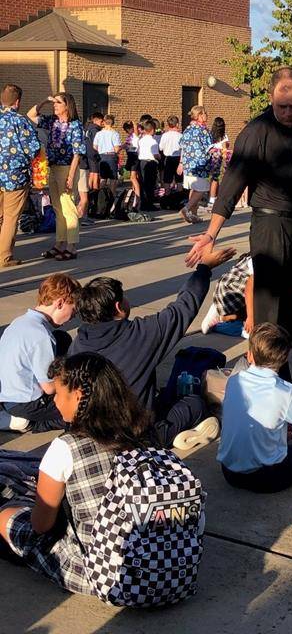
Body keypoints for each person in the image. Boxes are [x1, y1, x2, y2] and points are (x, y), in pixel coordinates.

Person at [185, 67, 292, 377]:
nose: (287, 113)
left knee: (291, 305)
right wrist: (211, 234)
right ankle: (270, 379)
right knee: (268, 306)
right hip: (269, 226)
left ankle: (270, 369)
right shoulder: (256, 131)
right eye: (281, 106)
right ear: (270, 98)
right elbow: (232, 185)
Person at [0, 353, 155, 595]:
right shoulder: (142, 434)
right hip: (155, 561)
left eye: (59, 395)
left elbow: (40, 526)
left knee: (5, 516)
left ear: (78, 396)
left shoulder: (66, 447)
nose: (56, 403)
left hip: (102, 573)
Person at [69, 244, 235, 448]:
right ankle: (164, 436)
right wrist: (204, 269)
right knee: (195, 404)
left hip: (89, 432)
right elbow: (184, 307)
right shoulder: (140, 333)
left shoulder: (77, 344)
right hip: (132, 436)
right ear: (119, 307)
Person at [216, 323, 292, 493]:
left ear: (249, 356)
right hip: (267, 478)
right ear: (285, 358)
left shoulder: (234, 380)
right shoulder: (284, 391)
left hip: (228, 472)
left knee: (286, 429)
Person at [0, 273, 80, 432]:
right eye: (73, 310)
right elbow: (49, 388)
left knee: (61, 338)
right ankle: (30, 423)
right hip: (27, 403)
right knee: (86, 412)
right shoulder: (41, 336)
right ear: (60, 303)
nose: (73, 316)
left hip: (7, 395)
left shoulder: (20, 322)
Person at [27, 93, 86, 261]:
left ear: (68, 106)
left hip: (67, 168)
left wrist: (71, 176)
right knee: (58, 208)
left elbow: (77, 153)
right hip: (53, 167)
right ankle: (60, 242)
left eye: (59, 102)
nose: (55, 105)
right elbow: (31, 115)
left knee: (68, 207)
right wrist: (45, 100)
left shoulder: (75, 125)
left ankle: (71, 245)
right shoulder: (52, 121)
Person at [0, 83, 40, 267]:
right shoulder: (20, 121)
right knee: (10, 217)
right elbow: (33, 148)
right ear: (17, 101)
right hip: (15, 176)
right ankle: (4, 256)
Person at [179, 105, 212, 224]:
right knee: (201, 189)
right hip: (200, 164)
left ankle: (193, 214)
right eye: (204, 113)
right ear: (199, 116)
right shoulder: (203, 130)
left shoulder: (187, 129)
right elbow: (209, 147)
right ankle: (186, 208)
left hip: (189, 165)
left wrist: (181, 163)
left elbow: (182, 146)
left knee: (194, 188)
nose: (206, 115)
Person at [93, 114, 121, 194]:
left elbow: (94, 146)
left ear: (104, 122)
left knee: (103, 178)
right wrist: (122, 147)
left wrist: (101, 149)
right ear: (113, 123)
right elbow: (116, 149)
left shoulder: (99, 134)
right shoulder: (115, 134)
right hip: (111, 156)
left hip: (102, 156)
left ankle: (101, 196)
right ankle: (111, 197)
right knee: (112, 178)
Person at [137, 120, 160, 211]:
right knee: (150, 184)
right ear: (152, 130)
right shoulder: (153, 141)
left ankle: (143, 203)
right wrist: (159, 157)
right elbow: (155, 154)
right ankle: (149, 204)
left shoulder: (141, 140)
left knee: (143, 183)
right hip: (151, 163)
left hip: (142, 162)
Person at [208, 116, 230, 207]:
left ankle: (209, 196)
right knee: (216, 178)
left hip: (210, 157)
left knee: (210, 178)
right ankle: (213, 198)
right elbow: (225, 148)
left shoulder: (210, 135)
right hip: (219, 158)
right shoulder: (224, 136)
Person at [159, 115, 182, 189]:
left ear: (168, 124)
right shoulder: (181, 136)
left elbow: (161, 148)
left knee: (167, 180)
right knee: (179, 179)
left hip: (168, 158)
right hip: (178, 159)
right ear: (177, 124)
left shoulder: (164, 135)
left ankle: (167, 195)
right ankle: (179, 196)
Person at [85, 112, 104, 192]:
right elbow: (96, 144)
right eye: (101, 121)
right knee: (95, 174)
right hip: (94, 154)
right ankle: (95, 192)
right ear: (96, 120)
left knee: (92, 173)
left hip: (88, 154)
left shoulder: (88, 128)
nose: (102, 123)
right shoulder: (95, 130)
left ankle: (90, 191)